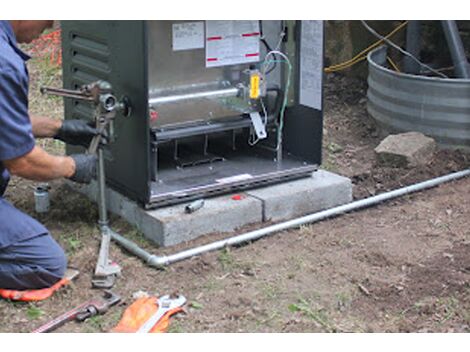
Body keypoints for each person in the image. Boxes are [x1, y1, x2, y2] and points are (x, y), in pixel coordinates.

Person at [0, 20, 98, 290]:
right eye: (48, 19)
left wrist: (60, 128)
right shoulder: (4, 64)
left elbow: (5, 120)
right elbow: (22, 161)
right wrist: (71, 167)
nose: (50, 27)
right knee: (46, 264)